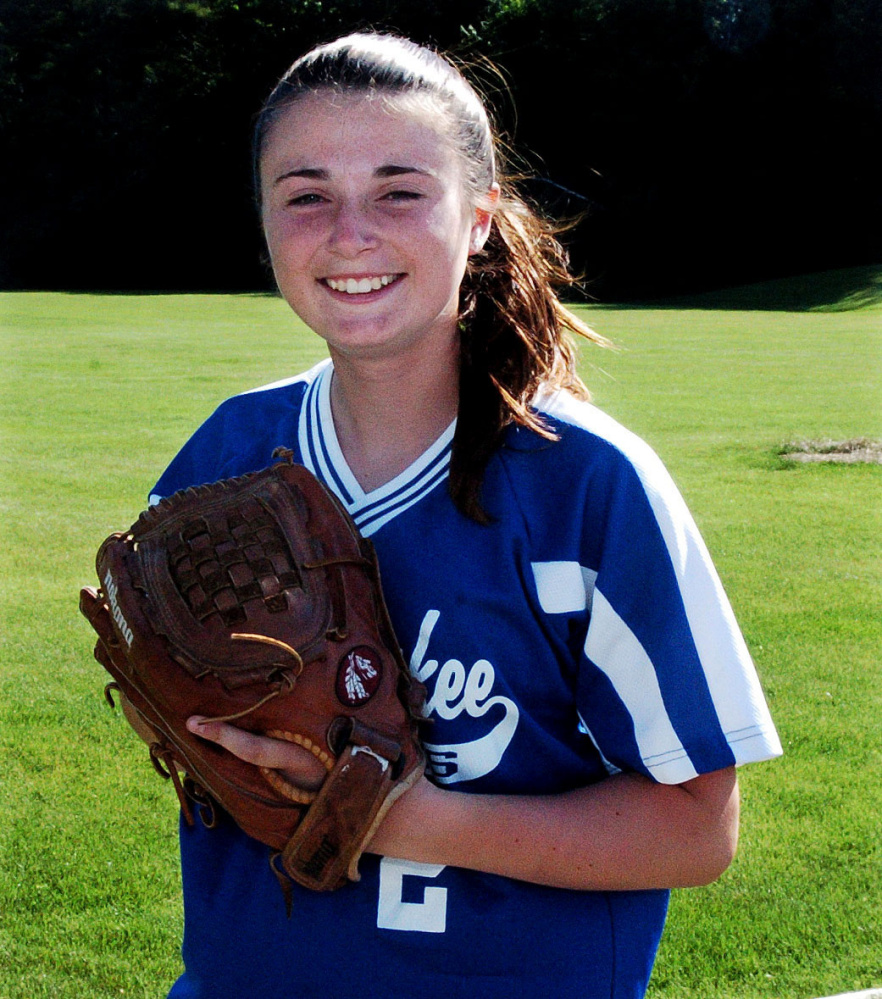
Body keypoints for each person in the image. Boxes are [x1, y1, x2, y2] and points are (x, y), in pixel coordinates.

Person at [146, 32, 782, 999]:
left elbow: (698, 825)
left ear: (479, 217)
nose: (350, 232)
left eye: (399, 189)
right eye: (306, 194)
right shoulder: (225, 457)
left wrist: (393, 814)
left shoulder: (588, 483)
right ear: (268, 221)